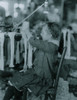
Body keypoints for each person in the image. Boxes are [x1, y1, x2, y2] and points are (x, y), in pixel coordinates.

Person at [3, 22, 60, 100]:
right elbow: (37, 53)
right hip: (37, 74)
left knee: (17, 82)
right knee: (16, 79)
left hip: (43, 79)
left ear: (50, 35)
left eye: (43, 32)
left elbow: (34, 42)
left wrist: (26, 31)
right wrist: (23, 31)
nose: (41, 33)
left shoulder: (52, 47)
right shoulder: (47, 45)